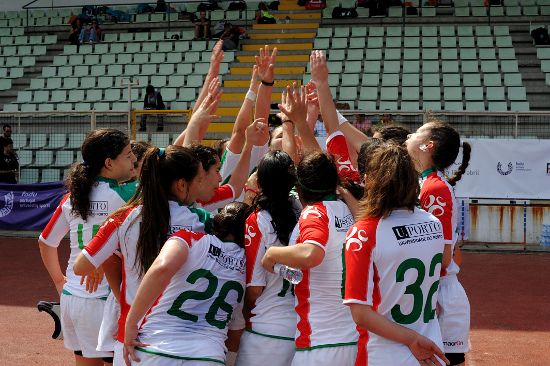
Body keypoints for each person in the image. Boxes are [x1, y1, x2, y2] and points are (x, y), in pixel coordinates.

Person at [344, 142, 449, 366]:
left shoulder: (364, 233)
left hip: (385, 355)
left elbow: (360, 314)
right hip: (431, 348)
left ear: (370, 180)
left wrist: (411, 339)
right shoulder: (433, 223)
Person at [38, 128, 137, 366]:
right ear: (109, 163)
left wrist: (60, 282)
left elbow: (46, 242)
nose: (133, 158)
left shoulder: (73, 196)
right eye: (128, 154)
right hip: (104, 299)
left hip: (73, 297)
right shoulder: (127, 194)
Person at [261, 151, 358, 366]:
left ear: (300, 187)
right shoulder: (350, 211)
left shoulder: (315, 212)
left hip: (320, 344)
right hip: (354, 340)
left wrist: (272, 253)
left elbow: (311, 254)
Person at [123, 202, 250, 365]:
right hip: (208, 356)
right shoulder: (248, 264)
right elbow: (236, 327)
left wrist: (131, 323)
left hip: (157, 346)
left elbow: (162, 268)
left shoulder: (190, 238)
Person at [406, 121, 472, 366]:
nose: (410, 134)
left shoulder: (434, 188)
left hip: (438, 293)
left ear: (428, 145)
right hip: (433, 289)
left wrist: (428, 297)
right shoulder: (427, 183)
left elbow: (442, 257)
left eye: (416, 132)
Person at [236, 151, 300, 366]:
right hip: (302, 330)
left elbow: (255, 287)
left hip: (265, 332)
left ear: (260, 181)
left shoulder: (258, 220)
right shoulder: (305, 212)